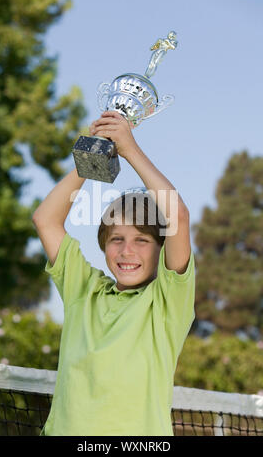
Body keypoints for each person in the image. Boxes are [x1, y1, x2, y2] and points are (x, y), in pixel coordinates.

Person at [32, 111, 195, 436]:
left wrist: (129, 149)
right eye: (116, 239)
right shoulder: (84, 290)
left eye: (142, 240)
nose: (127, 251)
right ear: (104, 245)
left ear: (160, 247)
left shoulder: (166, 302)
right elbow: (45, 220)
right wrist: (93, 156)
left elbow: (176, 215)